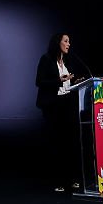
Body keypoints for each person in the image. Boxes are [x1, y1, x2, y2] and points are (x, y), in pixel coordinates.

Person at [35, 33, 86, 192]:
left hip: (67, 105)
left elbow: (69, 80)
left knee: (70, 143)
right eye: (66, 41)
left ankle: (71, 180)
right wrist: (60, 80)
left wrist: (75, 81)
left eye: (69, 41)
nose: (68, 44)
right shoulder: (46, 59)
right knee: (57, 144)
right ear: (58, 42)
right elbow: (39, 82)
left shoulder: (68, 61)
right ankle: (59, 181)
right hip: (53, 107)